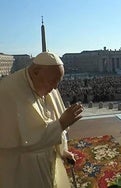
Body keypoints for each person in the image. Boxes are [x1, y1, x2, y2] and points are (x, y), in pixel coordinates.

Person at [0, 52, 84, 188]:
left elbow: (50, 120)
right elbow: (27, 142)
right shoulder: (7, 91)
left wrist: (62, 150)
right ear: (36, 71)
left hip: (47, 160)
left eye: (58, 82)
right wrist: (62, 123)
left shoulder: (50, 86)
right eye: (53, 82)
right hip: (23, 169)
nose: (55, 88)